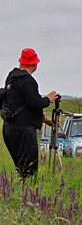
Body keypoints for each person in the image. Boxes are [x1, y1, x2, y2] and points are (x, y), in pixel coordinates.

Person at [1, 48, 58, 180]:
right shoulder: (27, 81)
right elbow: (35, 103)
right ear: (34, 64)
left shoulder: (11, 77)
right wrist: (49, 98)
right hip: (24, 130)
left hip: (9, 127)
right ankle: (28, 195)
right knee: (29, 169)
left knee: (20, 167)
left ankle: (21, 191)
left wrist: (45, 120)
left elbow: (22, 106)